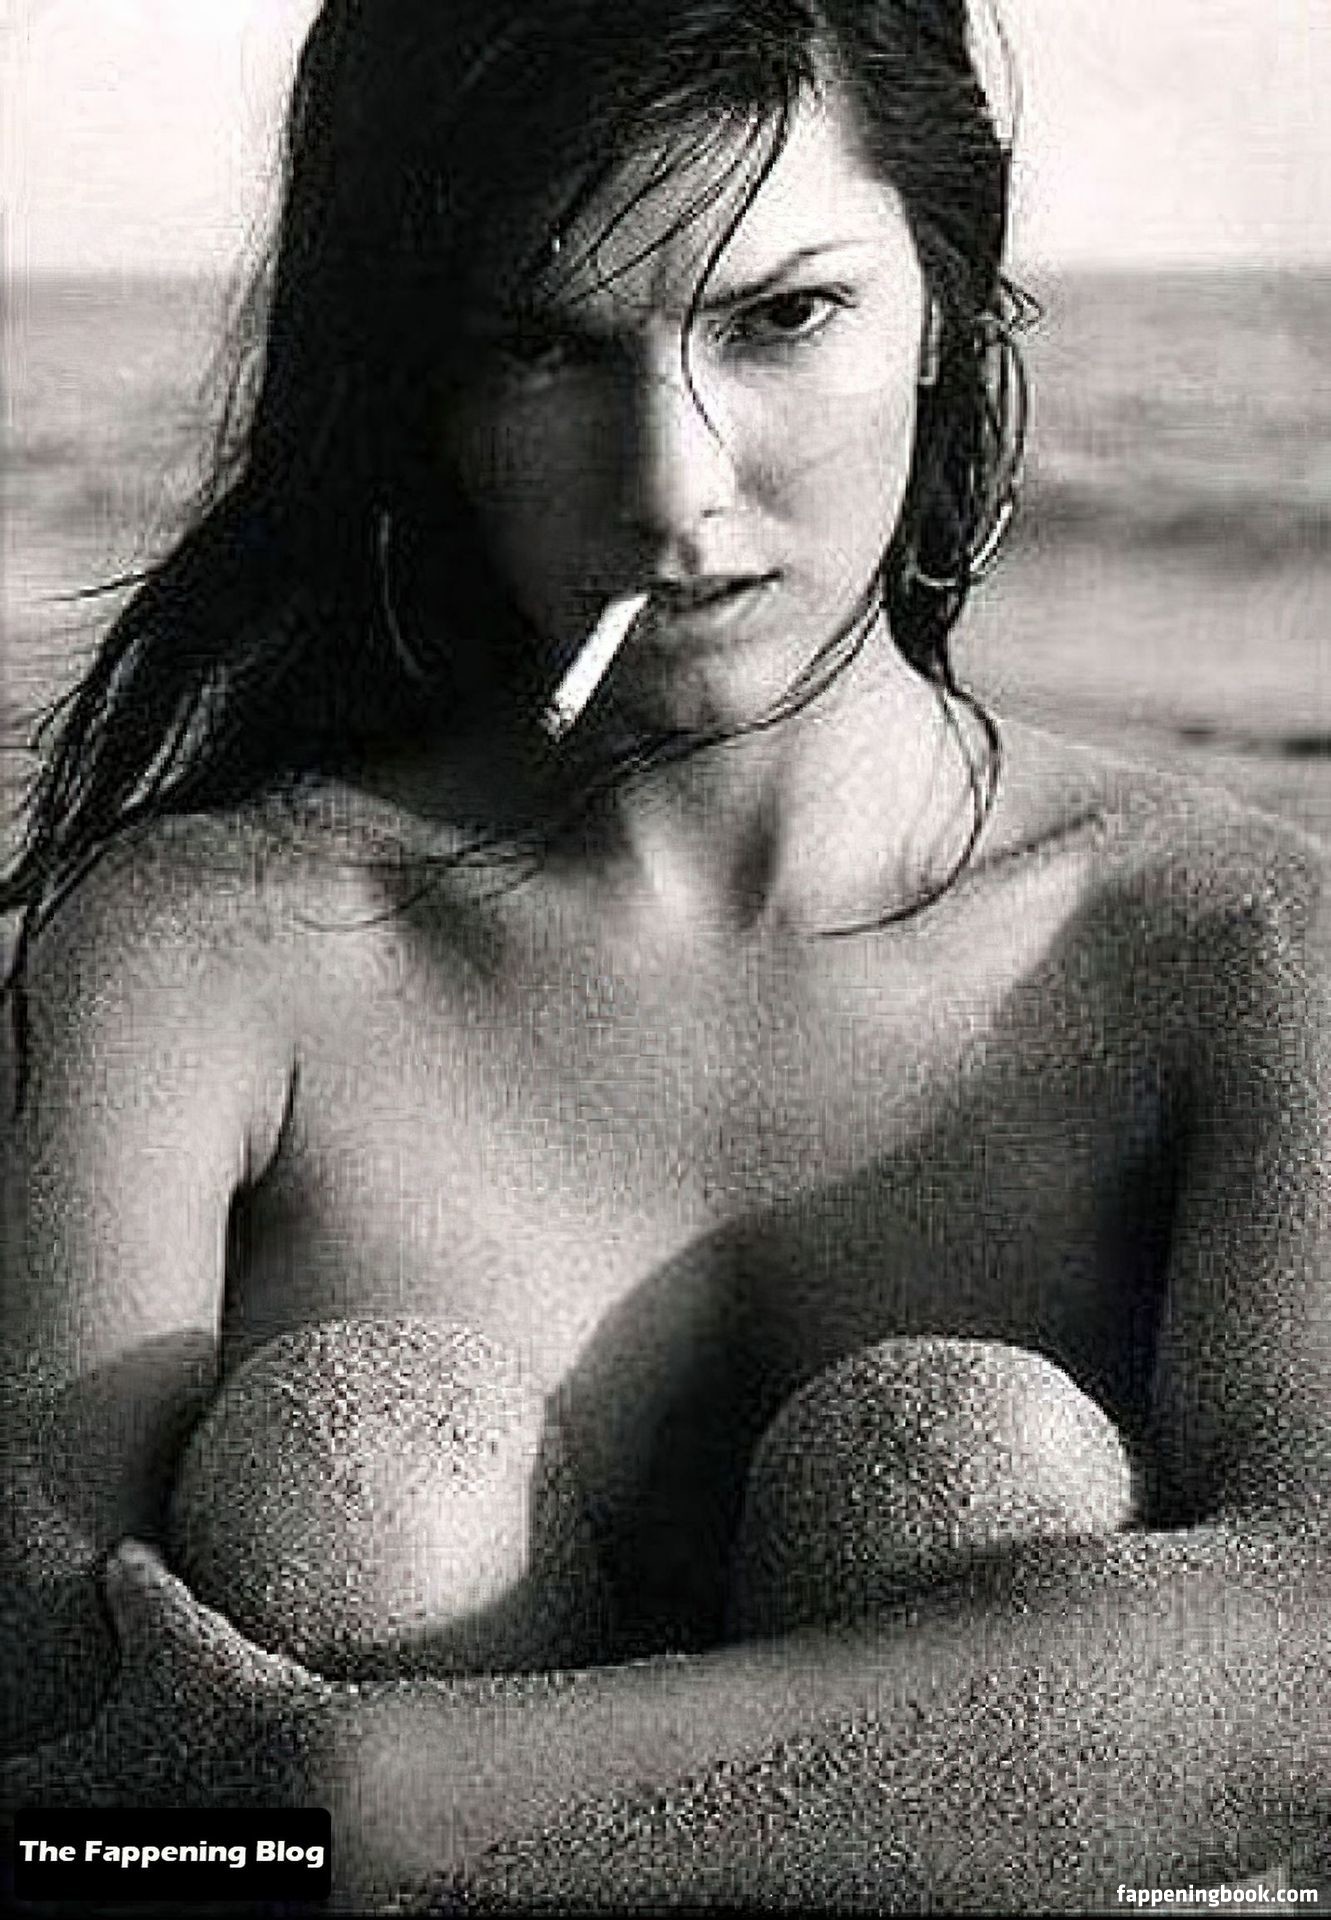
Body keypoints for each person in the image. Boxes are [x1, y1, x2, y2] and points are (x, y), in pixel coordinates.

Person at [4, 0, 1331, 1909]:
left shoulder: (1231, 949)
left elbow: (1307, 1675)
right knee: (371, 1478)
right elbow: (70, 1816)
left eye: (781, 316)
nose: (672, 487)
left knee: (964, 1470)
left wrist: (390, 1797)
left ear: (948, 303)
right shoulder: (202, 964)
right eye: (541, 348)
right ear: (424, 382)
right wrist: (260, 1832)